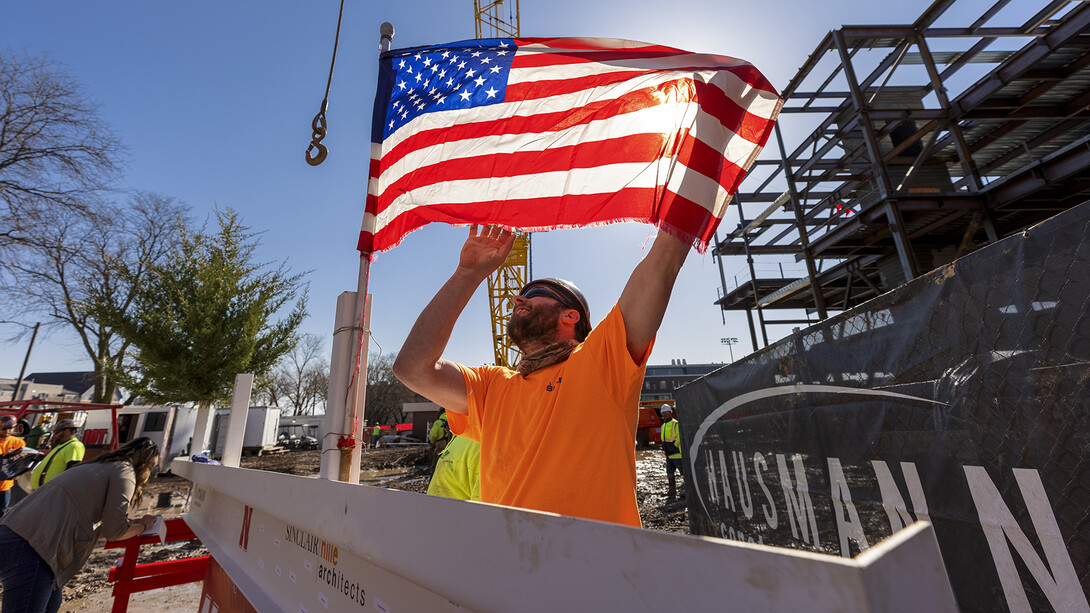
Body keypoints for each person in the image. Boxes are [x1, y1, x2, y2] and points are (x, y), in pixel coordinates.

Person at [394, 224, 690, 526]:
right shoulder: (492, 386)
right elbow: (412, 368)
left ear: (570, 315)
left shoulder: (602, 363)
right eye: (519, 298)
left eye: (534, 294)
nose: (518, 300)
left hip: (596, 568)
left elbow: (664, 258)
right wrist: (467, 274)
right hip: (509, 567)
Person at [0, 437, 160, 613]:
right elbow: (115, 532)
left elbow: (94, 525)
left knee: (52, 604)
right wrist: (144, 525)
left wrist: (130, 525)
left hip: (13, 532)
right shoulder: (125, 471)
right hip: (37, 549)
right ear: (145, 466)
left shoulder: (98, 465)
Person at [29, 420, 86, 490]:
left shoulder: (75, 446)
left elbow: (72, 471)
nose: (54, 435)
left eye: (56, 432)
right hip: (43, 491)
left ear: (67, 431)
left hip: (51, 492)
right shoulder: (62, 446)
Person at [426, 434, 481, 501]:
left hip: (435, 505)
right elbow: (487, 508)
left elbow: (433, 435)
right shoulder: (489, 447)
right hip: (453, 507)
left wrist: (432, 441)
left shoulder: (465, 436)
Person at [0, 415, 27, 517]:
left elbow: (23, 461)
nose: (7, 431)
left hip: (5, 486)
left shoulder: (18, 443)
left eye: (10, 428)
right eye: (4, 428)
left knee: (2, 512)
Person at [659, 405, 684, 500]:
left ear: (670, 412)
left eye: (665, 412)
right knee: (669, 473)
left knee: (683, 473)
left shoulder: (675, 423)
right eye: (662, 412)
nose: (664, 414)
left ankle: (686, 490)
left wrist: (675, 446)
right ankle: (672, 491)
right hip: (668, 455)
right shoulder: (663, 425)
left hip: (677, 454)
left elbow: (679, 437)